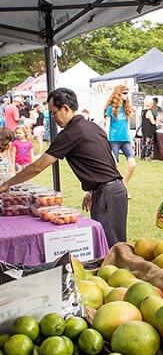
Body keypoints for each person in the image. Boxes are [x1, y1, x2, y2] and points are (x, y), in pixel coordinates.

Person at [0, 88, 128, 248]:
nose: (53, 118)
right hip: (114, 190)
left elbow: (37, 167)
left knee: (112, 248)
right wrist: (92, 189)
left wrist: (7, 184)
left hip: (108, 194)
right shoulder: (92, 127)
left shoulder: (70, 133)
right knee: (114, 244)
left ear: (66, 109)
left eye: (53, 113)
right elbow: (109, 162)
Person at [104, 85, 136, 191]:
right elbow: (107, 127)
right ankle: (118, 189)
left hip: (125, 139)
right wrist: (106, 142)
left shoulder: (127, 109)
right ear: (119, 94)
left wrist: (131, 140)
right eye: (124, 93)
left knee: (132, 164)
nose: (127, 95)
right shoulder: (110, 109)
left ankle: (124, 185)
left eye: (127, 93)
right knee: (115, 165)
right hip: (113, 140)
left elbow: (127, 126)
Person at [140, 96, 157, 161]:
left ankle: (143, 156)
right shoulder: (149, 112)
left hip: (144, 129)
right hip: (149, 129)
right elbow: (153, 122)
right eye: (152, 103)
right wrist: (157, 120)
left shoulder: (142, 111)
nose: (152, 105)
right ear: (149, 103)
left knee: (144, 143)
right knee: (149, 143)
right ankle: (147, 156)